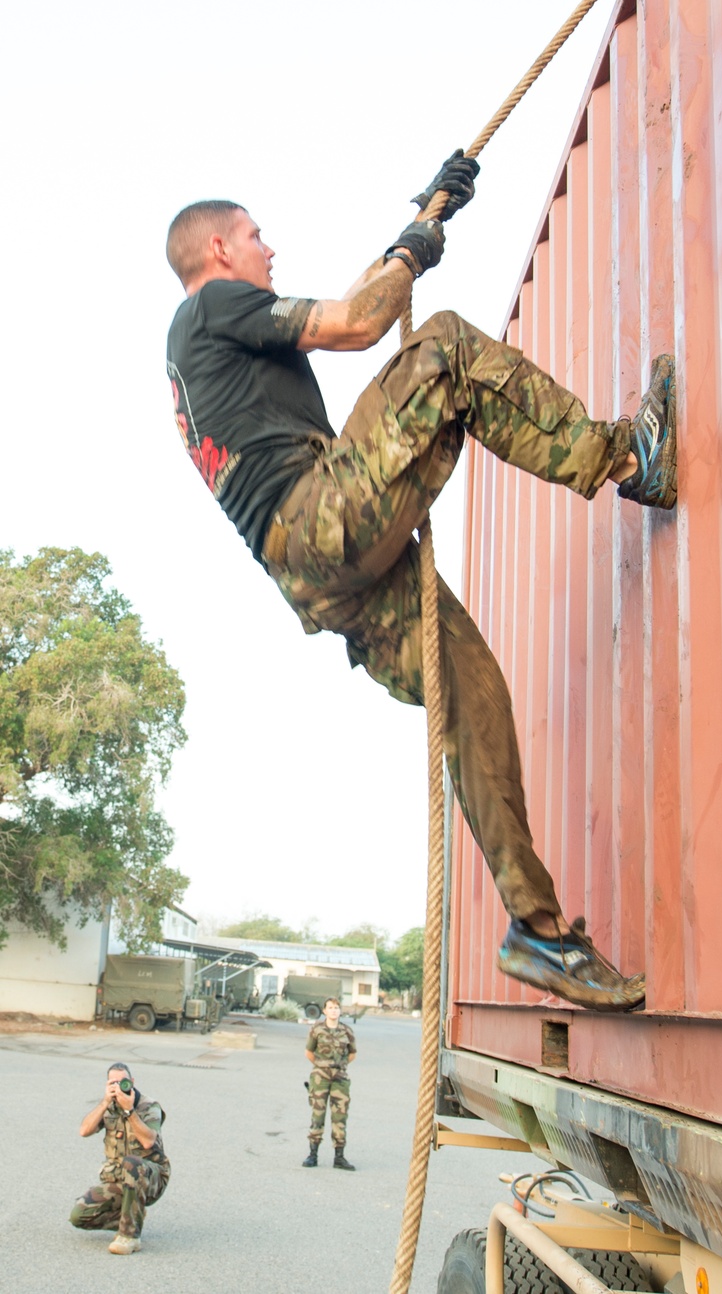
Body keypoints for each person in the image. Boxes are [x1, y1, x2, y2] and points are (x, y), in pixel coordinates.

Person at [165, 155, 676, 1010]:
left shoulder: (202, 342)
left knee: (475, 699)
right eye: (257, 236)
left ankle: (536, 932)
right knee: (443, 346)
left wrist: (428, 219)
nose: (270, 249)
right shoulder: (212, 305)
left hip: (320, 574)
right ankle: (629, 457)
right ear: (218, 247)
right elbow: (364, 324)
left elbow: (352, 302)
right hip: (322, 518)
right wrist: (412, 253)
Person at [70, 1062, 170, 1256]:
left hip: (152, 1176)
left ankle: (129, 1237)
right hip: (121, 1179)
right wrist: (105, 1102)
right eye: (112, 1083)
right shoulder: (108, 1107)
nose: (118, 1087)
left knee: (131, 1162)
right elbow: (84, 1131)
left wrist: (129, 1111)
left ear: (131, 1082)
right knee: (79, 1215)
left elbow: (149, 1141)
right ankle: (131, 1215)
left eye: (122, 1082)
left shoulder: (149, 1106)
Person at [303, 996, 357, 1169]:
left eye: (336, 1007)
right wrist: (321, 1066)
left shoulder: (346, 1031)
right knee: (317, 1115)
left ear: (340, 1011)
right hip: (320, 1077)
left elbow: (352, 1054)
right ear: (324, 1011)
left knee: (340, 1117)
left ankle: (339, 1157)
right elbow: (309, 1052)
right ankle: (313, 1154)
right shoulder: (317, 1029)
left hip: (340, 1079)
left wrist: (339, 1067)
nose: (334, 1010)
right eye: (330, 1008)